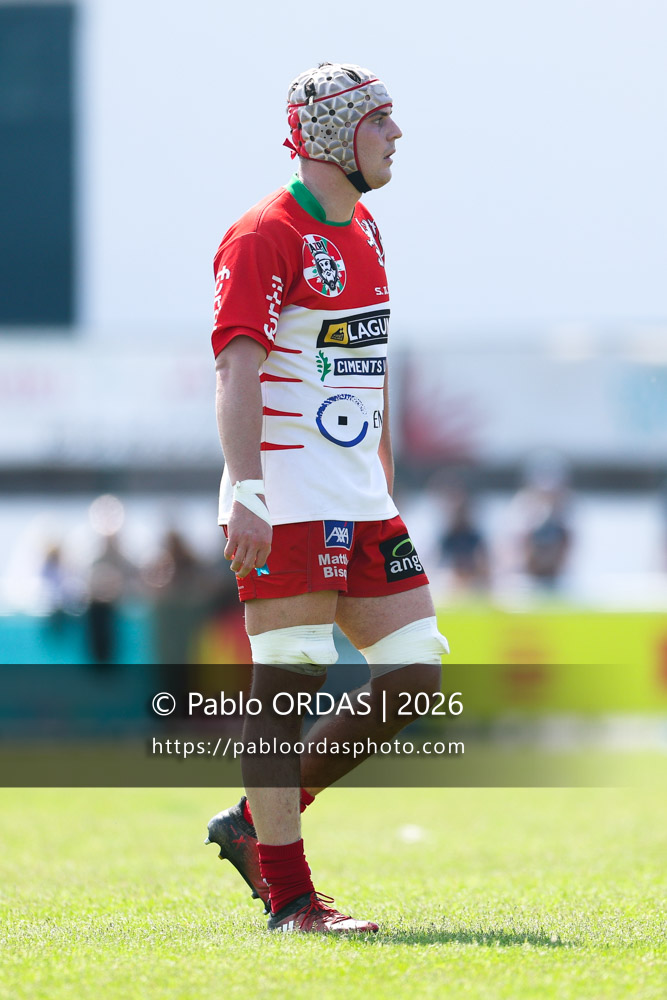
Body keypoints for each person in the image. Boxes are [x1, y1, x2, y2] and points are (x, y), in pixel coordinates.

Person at [205, 62, 449, 935]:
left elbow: (364, 361)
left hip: (359, 496)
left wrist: (379, 470)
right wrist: (249, 492)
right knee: (286, 688)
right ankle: (291, 899)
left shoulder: (366, 228)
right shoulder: (262, 234)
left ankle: (254, 822)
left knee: (415, 674)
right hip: (288, 495)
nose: (395, 134)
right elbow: (234, 371)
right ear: (335, 135)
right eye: (380, 120)